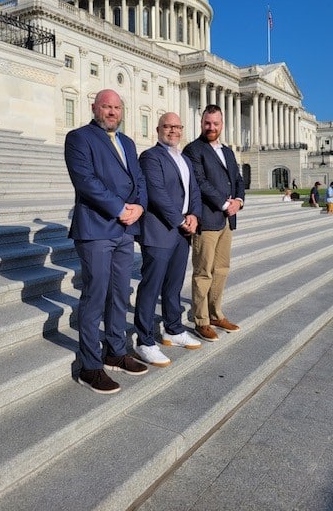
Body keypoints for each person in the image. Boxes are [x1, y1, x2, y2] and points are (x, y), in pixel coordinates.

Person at [64, 89, 148, 394]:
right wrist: (119, 208)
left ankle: (115, 351)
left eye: (116, 107)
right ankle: (90, 366)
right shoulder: (79, 137)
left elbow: (138, 179)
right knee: (94, 296)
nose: (111, 112)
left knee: (118, 295)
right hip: (96, 229)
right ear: (94, 107)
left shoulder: (127, 141)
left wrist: (139, 206)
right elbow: (86, 181)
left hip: (125, 231)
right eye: (106, 106)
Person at [134, 113, 202, 367]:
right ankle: (144, 340)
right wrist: (181, 219)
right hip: (160, 229)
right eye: (167, 126)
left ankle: (172, 329)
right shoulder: (151, 156)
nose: (173, 131)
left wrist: (194, 214)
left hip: (181, 231)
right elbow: (157, 193)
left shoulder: (184, 159)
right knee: (151, 286)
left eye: (177, 126)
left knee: (173, 285)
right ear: (158, 129)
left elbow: (193, 190)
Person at [183, 104, 245, 341]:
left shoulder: (228, 152)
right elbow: (199, 182)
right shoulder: (193, 149)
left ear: (222, 124)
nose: (211, 127)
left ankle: (216, 313)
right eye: (207, 123)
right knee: (203, 272)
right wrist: (224, 203)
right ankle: (201, 320)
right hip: (208, 219)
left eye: (216, 123)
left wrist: (238, 200)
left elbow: (238, 179)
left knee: (221, 270)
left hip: (227, 220)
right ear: (201, 123)